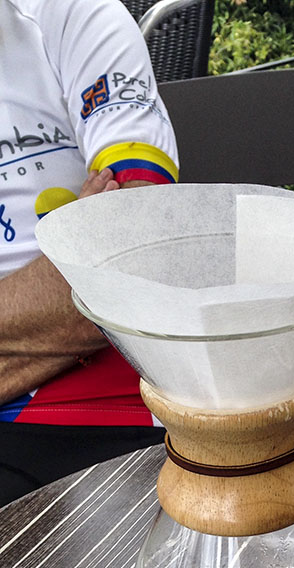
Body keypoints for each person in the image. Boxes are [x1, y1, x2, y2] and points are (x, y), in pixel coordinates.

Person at [0, 0, 179, 506]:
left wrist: (85, 291)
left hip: (87, 412)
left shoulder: (71, 13)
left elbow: (128, 256)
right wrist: (53, 298)